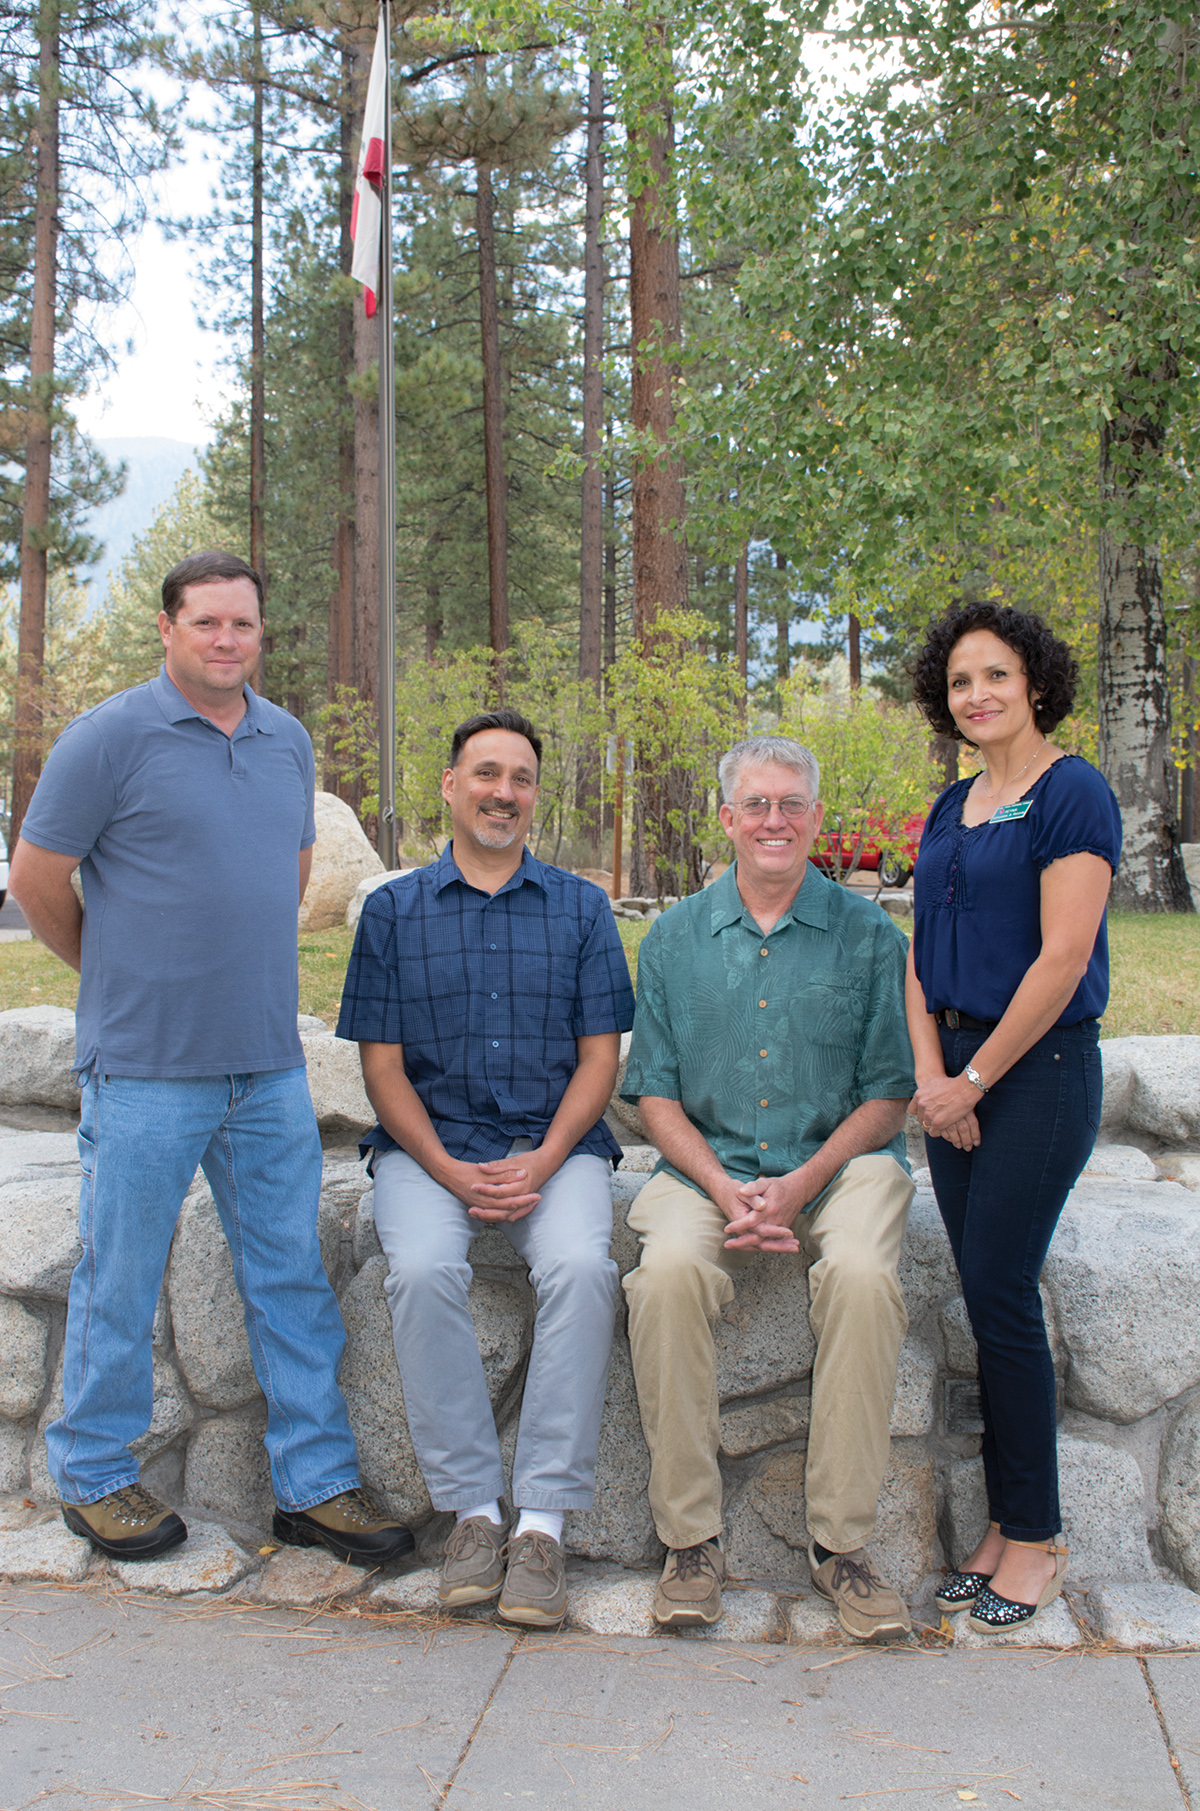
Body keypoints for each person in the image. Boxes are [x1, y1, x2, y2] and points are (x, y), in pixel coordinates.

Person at [9, 551, 413, 1570]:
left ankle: (315, 1484)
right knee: (119, 1276)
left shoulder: (285, 741)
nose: (228, 640)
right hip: (144, 1066)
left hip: (266, 1065)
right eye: (208, 623)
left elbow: (292, 869)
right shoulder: (108, 738)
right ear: (168, 628)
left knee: (288, 1278)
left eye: (244, 624)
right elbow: (37, 875)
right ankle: (96, 1477)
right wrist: (113, 968)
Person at [337, 708, 635, 1627]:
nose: (504, 792)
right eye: (486, 774)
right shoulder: (392, 911)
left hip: (557, 1145)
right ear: (451, 786)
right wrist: (448, 1169)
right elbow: (380, 1068)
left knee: (584, 1267)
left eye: (520, 778)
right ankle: (472, 1510)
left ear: (534, 795)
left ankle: (541, 1520)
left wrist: (545, 1156)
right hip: (430, 1149)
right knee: (422, 1268)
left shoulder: (582, 907)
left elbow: (601, 1057)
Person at [620, 734, 917, 1642]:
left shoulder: (870, 937)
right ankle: (692, 1541)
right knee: (665, 1273)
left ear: (817, 818)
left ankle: (843, 1544)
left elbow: (890, 1094)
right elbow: (654, 1093)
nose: (774, 820)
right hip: (702, 1163)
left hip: (840, 1163)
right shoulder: (672, 938)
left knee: (863, 1276)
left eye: (792, 803)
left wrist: (800, 1184)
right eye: (757, 804)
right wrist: (723, 1183)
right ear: (727, 818)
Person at [907, 600, 1121, 1635]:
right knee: (984, 1297)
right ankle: (1003, 1525)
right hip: (951, 1073)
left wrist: (976, 1078)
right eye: (959, 682)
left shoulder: (1072, 794)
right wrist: (928, 1074)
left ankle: (1036, 1536)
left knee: (999, 1295)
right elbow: (917, 952)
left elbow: (1063, 959)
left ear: (1034, 680)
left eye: (994, 675)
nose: (977, 694)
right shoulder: (950, 806)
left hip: (1032, 1072)